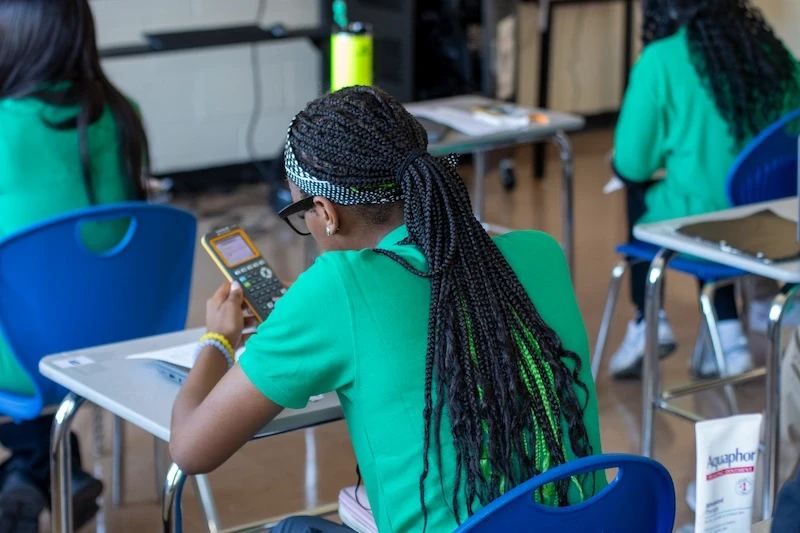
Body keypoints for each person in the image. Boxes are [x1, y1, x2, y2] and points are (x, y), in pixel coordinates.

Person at [170, 86, 604, 532]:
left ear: (326, 212)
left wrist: (216, 342)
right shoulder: (541, 252)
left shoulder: (335, 290)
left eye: (302, 214)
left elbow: (190, 450)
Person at [0, 0, 149, 531]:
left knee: (18, 323)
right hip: (115, 341)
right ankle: (50, 468)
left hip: (21, 355)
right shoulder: (121, 112)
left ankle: (33, 469)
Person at [609, 0, 800, 380]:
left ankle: (649, 319)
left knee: (643, 193)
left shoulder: (660, 60)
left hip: (706, 220)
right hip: (769, 216)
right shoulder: (771, 53)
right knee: (703, 197)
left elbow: (632, 165)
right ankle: (731, 328)